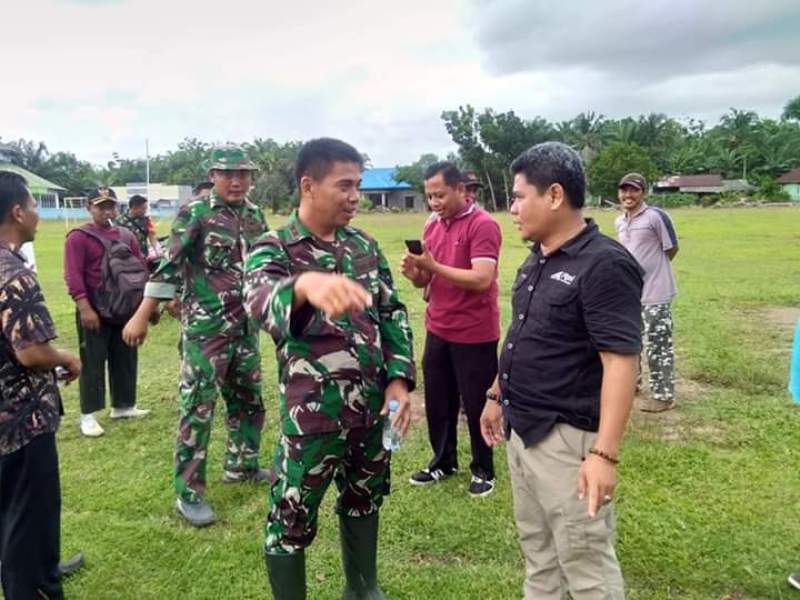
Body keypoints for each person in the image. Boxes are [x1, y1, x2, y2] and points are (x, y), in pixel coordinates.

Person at [244, 138, 415, 599]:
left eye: (358, 185)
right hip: (313, 418)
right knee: (291, 516)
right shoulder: (273, 247)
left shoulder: (364, 245)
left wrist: (398, 379)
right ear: (308, 185)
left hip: (371, 411)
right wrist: (303, 285)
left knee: (365, 498)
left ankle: (363, 588)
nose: (355, 196)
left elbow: (392, 313)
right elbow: (259, 303)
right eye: (344, 185)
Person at [480, 142, 643, 599]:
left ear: (554, 195)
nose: (511, 208)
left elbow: (621, 361)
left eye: (518, 196)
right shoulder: (539, 257)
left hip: (569, 442)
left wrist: (604, 455)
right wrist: (496, 396)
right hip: (523, 431)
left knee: (586, 564)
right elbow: (522, 333)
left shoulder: (604, 264)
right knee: (540, 555)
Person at [122, 145, 269, 527]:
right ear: (213, 176)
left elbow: (266, 264)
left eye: (243, 174)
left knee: (248, 400)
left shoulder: (254, 216)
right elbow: (170, 266)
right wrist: (144, 312)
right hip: (206, 331)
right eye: (227, 174)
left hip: (245, 328)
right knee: (198, 408)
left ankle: (242, 465)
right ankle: (189, 493)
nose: (236, 181)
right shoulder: (196, 213)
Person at [0, 170, 83, 598]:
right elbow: (30, 352)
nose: (38, 215)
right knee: (28, 513)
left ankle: (44, 568)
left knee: (16, 511)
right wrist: (67, 357)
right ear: (17, 211)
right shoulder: (14, 273)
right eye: (33, 206)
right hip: (20, 422)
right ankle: (32, 587)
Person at [400, 161, 501, 497]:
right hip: (439, 326)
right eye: (429, 196)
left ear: (461, 190)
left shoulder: (483, 225)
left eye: (440, 194)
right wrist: (416, 272)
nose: (434, 202)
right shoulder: (432, 227)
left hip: (474, 331)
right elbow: (425, 283)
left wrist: (433, 266)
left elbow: (482, 278)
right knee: (439, 400)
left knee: (475, 403)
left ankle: (484, 469)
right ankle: (443, 460)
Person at [64, 187, 150, 438]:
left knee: (125, 357)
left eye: (110, 205)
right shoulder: (78, 237)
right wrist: (84, 307)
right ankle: (88, 414)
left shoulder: (127, 235)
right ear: (89, 207)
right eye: (100, 206)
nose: (106, 211)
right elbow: (73, 275)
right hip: (95, 308)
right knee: (92, 361)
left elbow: (140, 268)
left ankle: (123, 405)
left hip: (124, 307)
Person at [614, 172, 679, 412]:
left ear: (643, 192)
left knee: (658, 344)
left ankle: (663, 396)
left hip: (656, 292)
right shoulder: (619, 221)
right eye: (624, 190)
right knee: (630, 341)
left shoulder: (656, 217)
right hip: (630, 293)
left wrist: (654, 271)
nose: (628, 195)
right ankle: (633, 384)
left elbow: (671, 248)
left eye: (634, 190)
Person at [117, 194, 162, 266]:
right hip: (126, 260)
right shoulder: (119, 222)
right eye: (143, 209)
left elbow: (152, 236)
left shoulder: (147, 220)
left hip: (143, 258)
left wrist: (157, 250)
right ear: (134, 208)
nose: (145, 211)